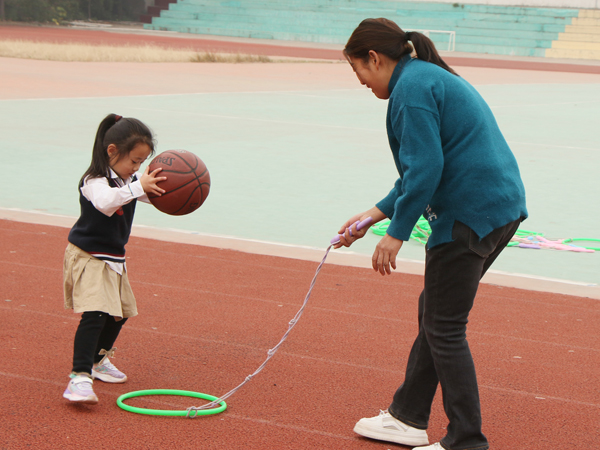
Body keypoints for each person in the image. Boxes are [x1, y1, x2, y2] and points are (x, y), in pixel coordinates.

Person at [335, 18, 528, 450]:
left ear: (374, 58)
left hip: (470, 213)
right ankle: (407, 417)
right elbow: (418, 170)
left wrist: (395, 233)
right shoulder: (423, 78)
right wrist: (373, 215)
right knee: (436, 313)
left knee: (444, 326)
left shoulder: (412, 90)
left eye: (357, 71)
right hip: (497, 209)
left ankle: (466, 440)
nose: (360, 82)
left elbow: (426, 169)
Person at [62, 114, 166, 404]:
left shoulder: (127, 179)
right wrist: (136, 186)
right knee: (95, 312)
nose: (138, 168)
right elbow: (107, 202)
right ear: (112, 151)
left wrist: (169, 189)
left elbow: (146, 193)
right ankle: (78, 378)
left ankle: (97, 361)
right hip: (88, 255)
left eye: (142, 163)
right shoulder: (94, 180)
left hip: (114, 257)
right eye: (134, 161)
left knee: (119, 314)